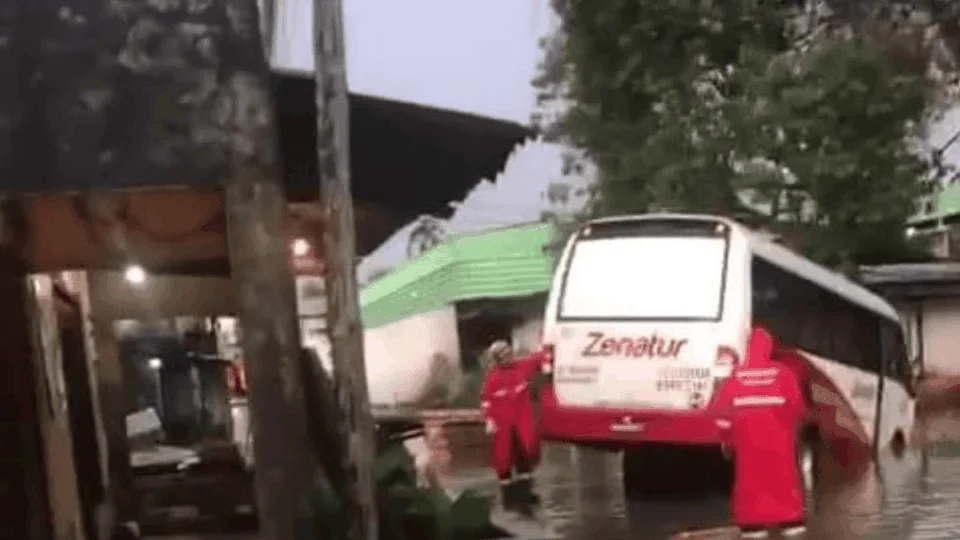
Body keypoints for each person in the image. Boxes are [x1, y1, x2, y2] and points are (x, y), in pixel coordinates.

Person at [713, 327, 808, 538]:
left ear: (747, 349)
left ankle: (753, 526)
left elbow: (722, 415)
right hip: (780, 444)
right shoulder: (783, 373)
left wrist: (727, 441)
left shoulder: (736, 376)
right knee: (784, 479)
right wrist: (787, 431)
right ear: (770, 348)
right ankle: (790, 521)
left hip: (747, 445)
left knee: (750, 483)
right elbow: (797, 409)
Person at [480, 340, 541, 514]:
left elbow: (536, 360)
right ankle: (508, 497)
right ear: (497, 358)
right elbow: (486, 400)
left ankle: (525, 493)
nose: (509, 357)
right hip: (503, 425)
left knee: (524, 457)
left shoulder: (520, 368)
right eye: (504, 355)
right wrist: (489, 419)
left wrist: (550, 346)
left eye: (509, 353)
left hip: (521, 423)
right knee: (504, 460)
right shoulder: (493, 378)